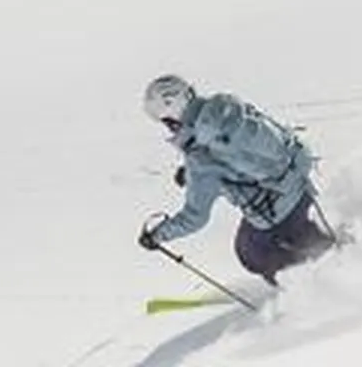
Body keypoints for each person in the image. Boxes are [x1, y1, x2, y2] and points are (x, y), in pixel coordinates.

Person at [135, 74, 340, 284]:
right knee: (317, 240)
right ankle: (353, 260)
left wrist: (157, 236)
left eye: (165, 121)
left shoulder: (199, 158)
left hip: (274, 214)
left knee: (250, 254)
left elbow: (194, 218)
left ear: (172, 115)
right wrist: (189, 173)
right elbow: (244, 156)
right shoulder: (228, 109)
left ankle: (307, 290)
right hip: (301, 187)